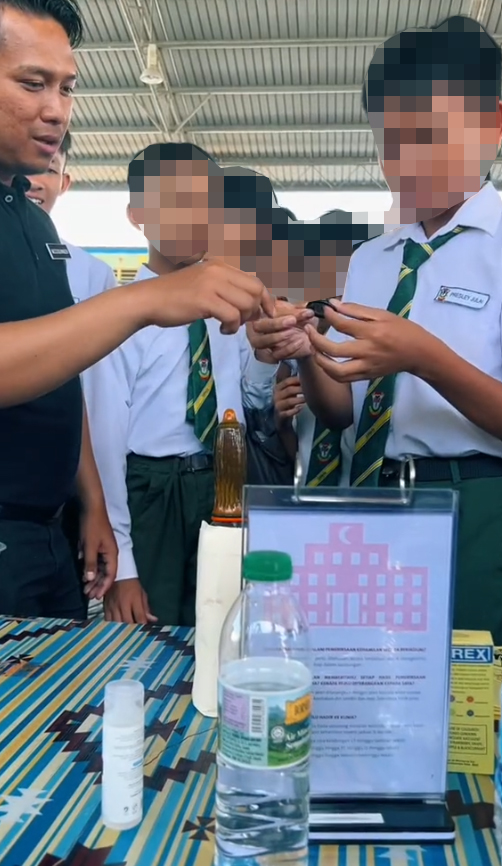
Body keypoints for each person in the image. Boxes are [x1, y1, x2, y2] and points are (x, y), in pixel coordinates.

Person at [0, 0, 272, 617]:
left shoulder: (26, 222)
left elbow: (65, 393)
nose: (56, 110)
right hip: (132, 497)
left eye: (67, 88)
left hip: (46, 529)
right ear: (138, 215)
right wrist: (144, 302)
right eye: (31, 83)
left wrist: (89, 504)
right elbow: (104, 414)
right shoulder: (125, 299)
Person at [253, 15, 502, 643]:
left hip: (477, 507)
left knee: (469, 704)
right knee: (374, 684)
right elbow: (341, 413)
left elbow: (420, 367)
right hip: (376, 503)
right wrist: (307, 351)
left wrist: (424, 358)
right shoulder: (372, 260)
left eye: (429, 136)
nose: (406, 162)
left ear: (492, 124)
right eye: (391, 141)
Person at [87, 144, 279, 627]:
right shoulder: (119, 312)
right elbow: (106, 443)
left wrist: (263, 352)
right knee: (154, 630)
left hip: (225, 479)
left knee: (226, 623)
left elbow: (251, 402)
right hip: (154, 492)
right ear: (137, 215)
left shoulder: (228, 302)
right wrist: (124, 566)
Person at [25, 130, 117, 301]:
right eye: (21, 168)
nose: (33, 182)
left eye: (49, 170)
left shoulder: (95, 275)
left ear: (63, 184)